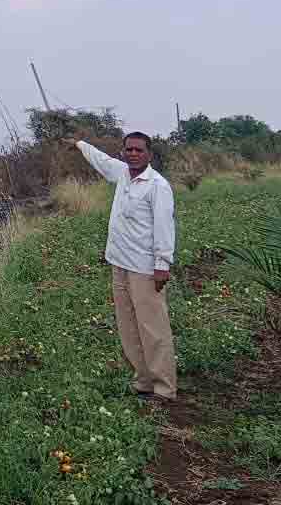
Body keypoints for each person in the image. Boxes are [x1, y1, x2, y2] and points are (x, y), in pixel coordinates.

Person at [62, 132, 178, 402]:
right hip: (120, 264)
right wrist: (79, 144)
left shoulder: (157, 186)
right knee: (128, 327)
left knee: (153, 328)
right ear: (123, 152)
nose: (133, 154)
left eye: (139, 150)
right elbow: (101, 160)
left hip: (144, 269)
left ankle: (164, 388)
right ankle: (143, 381)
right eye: (129, 150)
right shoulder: (123, 174)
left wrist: (162, 265)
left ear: (149, 154)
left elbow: (164, 227)